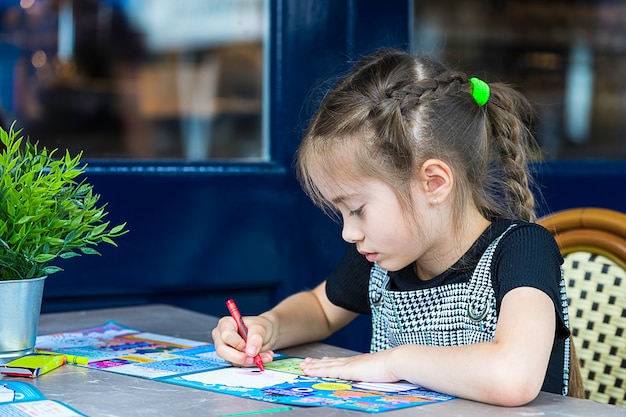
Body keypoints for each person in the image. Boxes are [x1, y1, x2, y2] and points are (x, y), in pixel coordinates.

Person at [212, 48, 577, 406]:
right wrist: (266, 328)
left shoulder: (523, 251)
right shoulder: (384, 258)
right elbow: (319, 310)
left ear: (433, 183)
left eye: (357, 209)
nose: (349, 233)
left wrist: (396, 361)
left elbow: (513, 377)